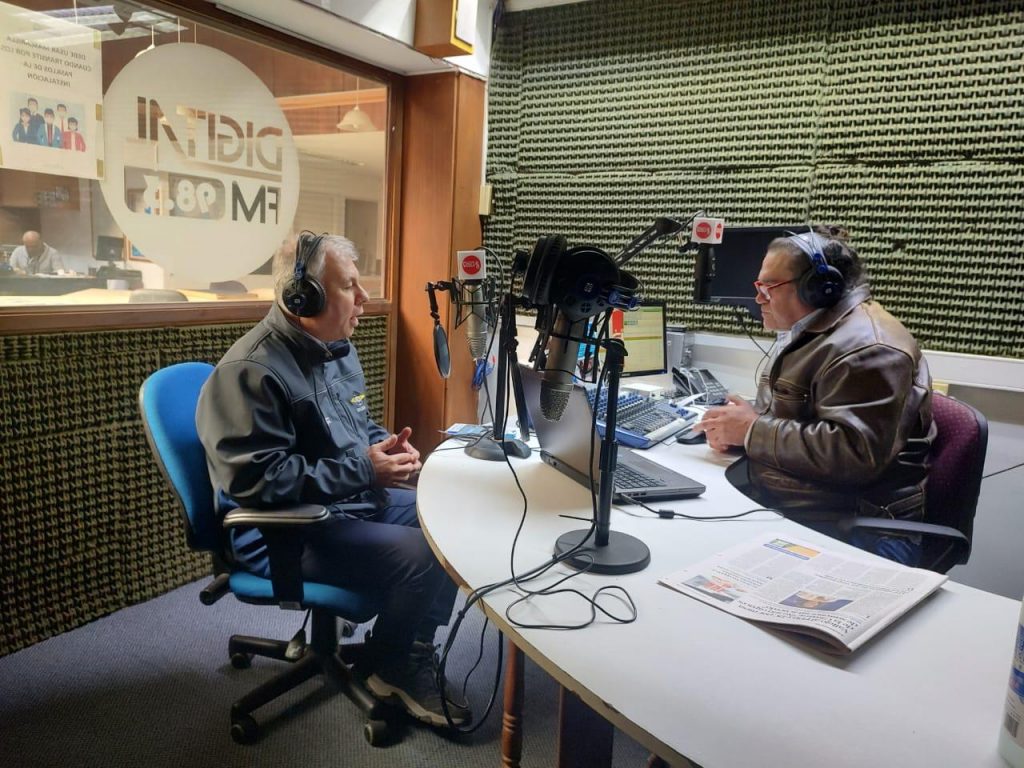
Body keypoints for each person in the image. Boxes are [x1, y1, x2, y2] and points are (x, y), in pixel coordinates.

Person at [196, 233, 470, 729]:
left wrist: (386, 446)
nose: (363, 297)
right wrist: (366, 469)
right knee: (422, 554)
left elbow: (356, 426)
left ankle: (404, 650)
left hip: (344, 503)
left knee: (448, 523)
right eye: (349, 286)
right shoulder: (248, 373)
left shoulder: (335, 349)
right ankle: (392, 667)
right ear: (305, 296)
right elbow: (258, 482)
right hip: (281, 532)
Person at [692, 226, 934, 566]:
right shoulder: (816, 331)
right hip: (805, 508)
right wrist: (742, 429)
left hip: (860, 528)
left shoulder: (868, 348)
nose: (758, 298)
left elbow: (854, 454)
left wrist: (751, 431)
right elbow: (802, 418)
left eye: (768, 288)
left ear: (819, 288)